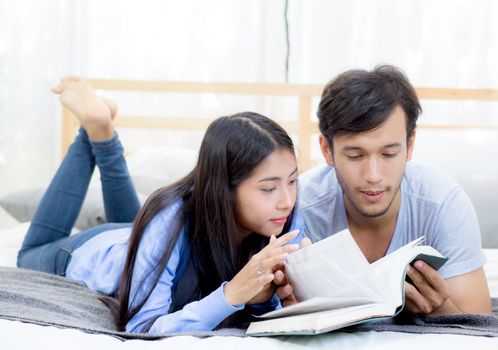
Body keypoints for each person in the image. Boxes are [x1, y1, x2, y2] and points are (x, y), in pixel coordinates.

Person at [17, 77, 306, 334]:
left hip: (142, 242)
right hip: (96, 251)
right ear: (223, 189)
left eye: (293, 181)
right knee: (28, 255)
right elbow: (141, 326)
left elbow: (270, 309)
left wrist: (267, 298)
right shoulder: (169, 222)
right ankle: (92, 130)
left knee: (145, 226)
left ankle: (103, 133)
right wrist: (230, 295)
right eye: (268, 188)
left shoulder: (285, 215)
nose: (287, 200)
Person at [279, 65, 491, 315]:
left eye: (389, 154)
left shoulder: (443, 203)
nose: (373, 176)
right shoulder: (299, 206)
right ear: (327, 150)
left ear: (410, 145)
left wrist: (439, 308)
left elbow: (480, 324)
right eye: (355, 156)